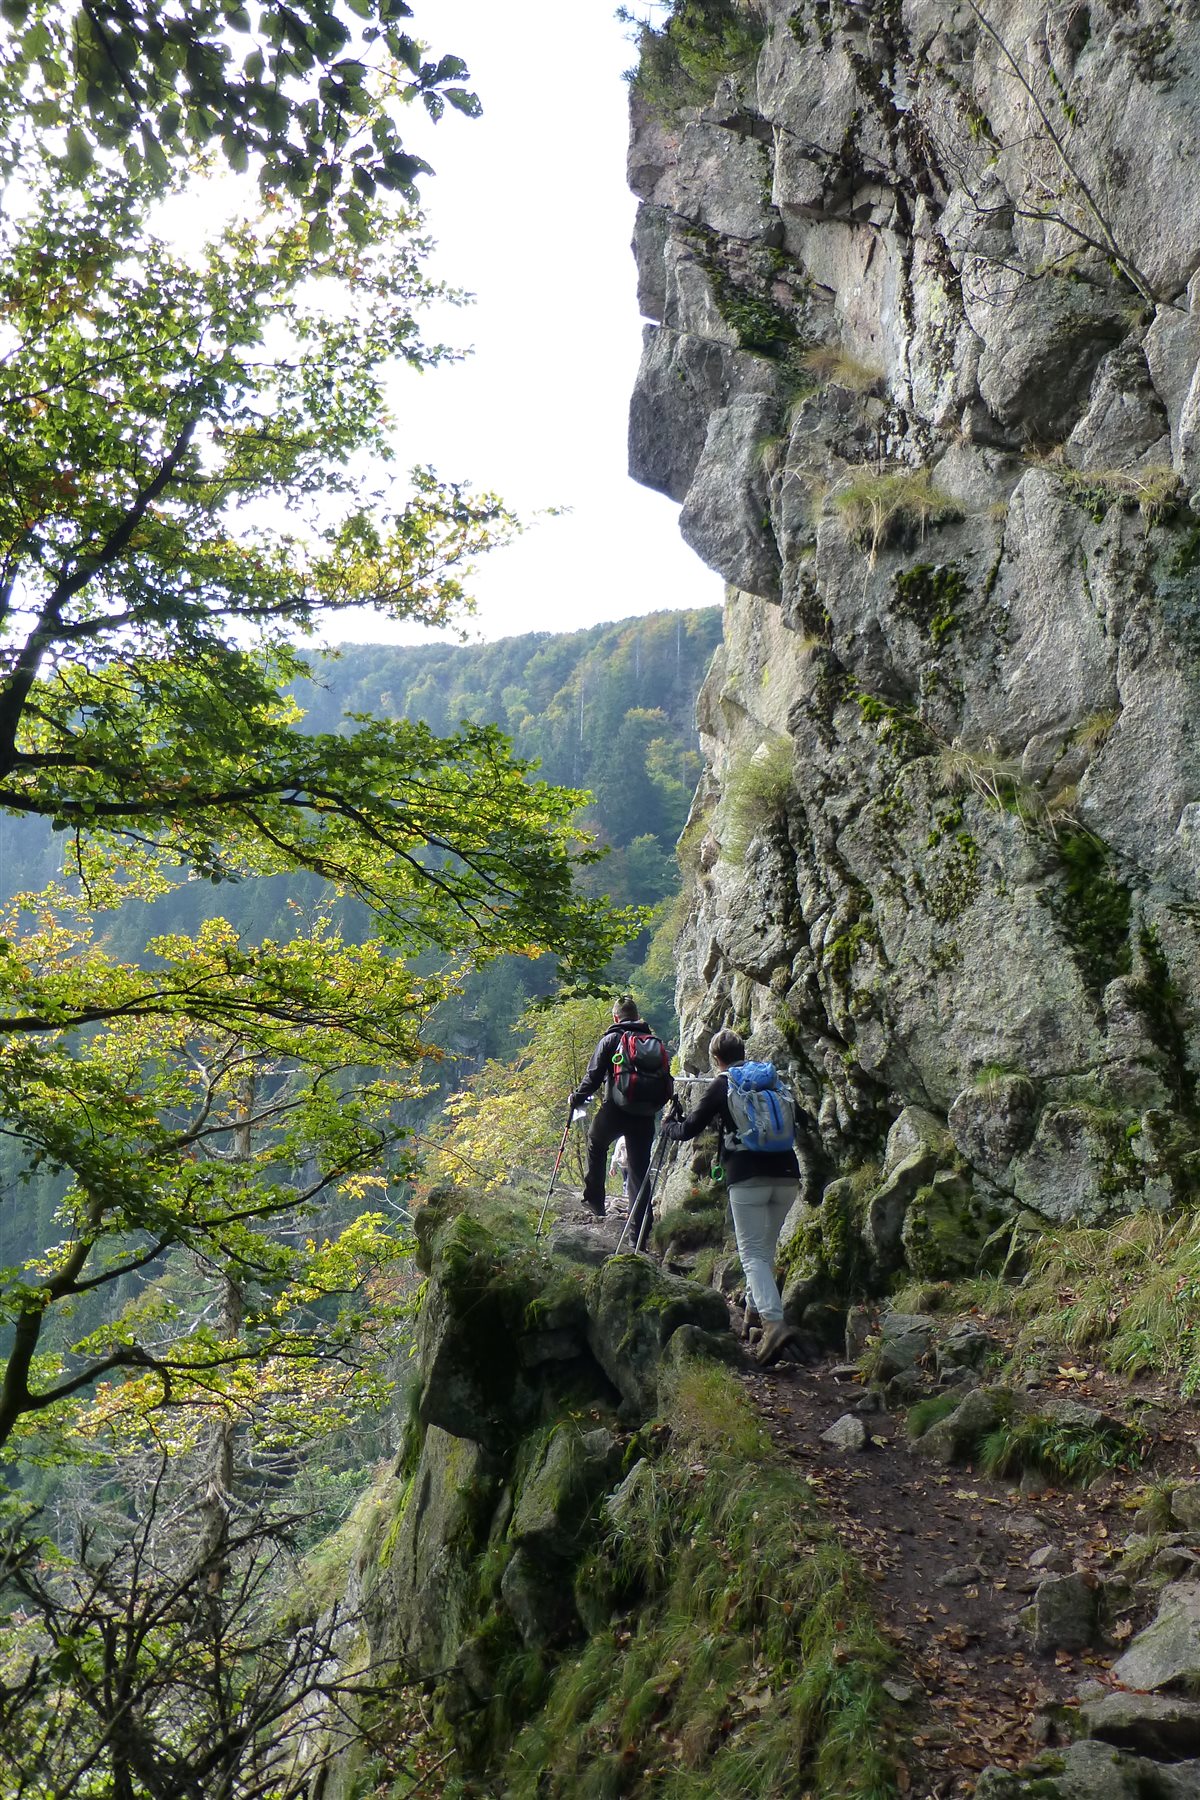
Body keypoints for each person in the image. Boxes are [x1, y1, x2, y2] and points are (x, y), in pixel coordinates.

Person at [660, 1028, 812, 1367]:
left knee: (753, 1254)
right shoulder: (771, 1082)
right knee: (765, 1249)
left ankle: (774, 1324)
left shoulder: (722, 1084)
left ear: (716, 1059)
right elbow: (803, 1120)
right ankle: (753, 1315)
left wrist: (668, 1125)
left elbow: (688, 1131)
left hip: (747, 1178)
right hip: (787, 1177)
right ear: (743, 1051)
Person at [569, 996, 670, 1231]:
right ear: (637, 1017)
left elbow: (593, 1077)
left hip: (615, 1109)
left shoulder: (612, 1039)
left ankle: (595, 1201)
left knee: (596, 1142)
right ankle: (640, 1231)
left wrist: (577, 1098)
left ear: (616, 1017)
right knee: (639, 1171)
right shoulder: (653, 1041)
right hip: (646, 1114)